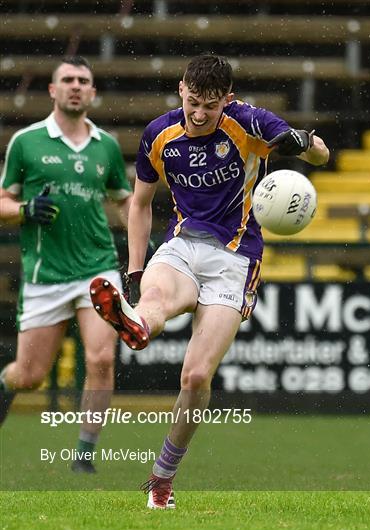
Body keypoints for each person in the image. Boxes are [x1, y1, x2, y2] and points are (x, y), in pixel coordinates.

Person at [90, 54, 330, 506]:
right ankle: (136, 321)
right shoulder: (159, 134)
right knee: (155, 298)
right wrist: (136, 271)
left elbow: (311, 149)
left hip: (235, 259)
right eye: (194, 102)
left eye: (211, 106)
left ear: (229, 100)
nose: (199, 114)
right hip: (182, 244)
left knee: (196, 376)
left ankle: (162, 479)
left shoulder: (249, 123)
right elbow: (139, 206)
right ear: (182, 88)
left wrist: (310, 146)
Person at [0, 56, 132, 473]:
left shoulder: (106, 146)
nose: (76, 86)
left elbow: (124, 200)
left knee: (101, 360)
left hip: (98, 265)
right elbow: (2, 201)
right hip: (46, 274)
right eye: (68, 80)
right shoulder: (27, 141)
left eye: (84, 81)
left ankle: (84, 456)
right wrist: (23, 209)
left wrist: (147, 248)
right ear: (53, 91)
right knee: (28, 376)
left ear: (92, 93)